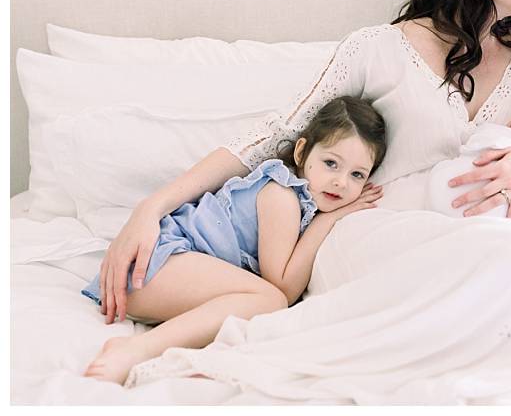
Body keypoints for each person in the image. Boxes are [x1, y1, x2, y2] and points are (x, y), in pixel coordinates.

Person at [96, 0, 511, 399]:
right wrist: (151, 207)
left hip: (481, 241)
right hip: (373, 233)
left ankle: (476, 321)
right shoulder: (378, 48)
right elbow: (275, 135)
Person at [82, 96, 388, 384]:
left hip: (164, 277)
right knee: (270, 301)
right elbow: (283, 287)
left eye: (357, 175)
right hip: (153, 264)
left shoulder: (299, 200)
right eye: (331, 164)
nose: (341, 182)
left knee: (261, 303)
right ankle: (136, 349)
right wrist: (329, 219)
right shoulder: (282, 196)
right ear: (301, 152)